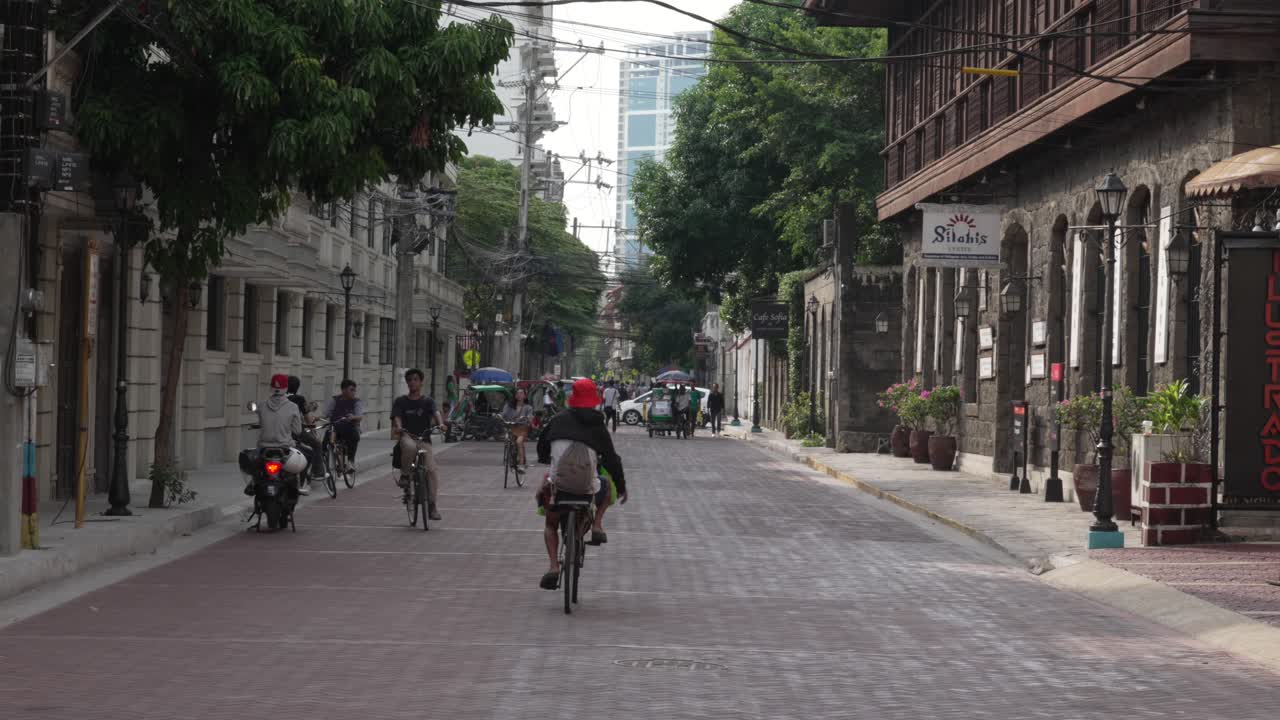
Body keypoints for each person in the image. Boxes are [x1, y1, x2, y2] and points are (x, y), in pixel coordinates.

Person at [535, 378, 627, 590]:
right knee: (606, 485)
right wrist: (622, 487)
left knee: (550, 523)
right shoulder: (598, 426)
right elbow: (613, 460)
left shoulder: (557, 420)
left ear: (572, 399)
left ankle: (553, 567)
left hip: (559, 486)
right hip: (587, 488)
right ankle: (596, 525)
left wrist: (547, 457)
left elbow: (542, 447)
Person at [392, 368, 445, 521]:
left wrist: (441, 424)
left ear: (421, 382)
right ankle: (405, 475)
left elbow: (436, 413)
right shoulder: (401, 401)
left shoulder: (428, 401)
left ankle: (433, 506)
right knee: (409, 447)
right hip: (407, 436)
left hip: (424, 439)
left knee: (432, 470)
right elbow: (397, 416)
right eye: (409, 380)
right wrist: (399, 427)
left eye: (416, 379)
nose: (412, 382)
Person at [257, 374, 308, 494]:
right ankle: (300, 485)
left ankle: (253, 485)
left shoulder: (262, 405)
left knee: (256, 467)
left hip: (264, 447)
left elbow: (261, 423)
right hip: (284, 447)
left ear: (271, 387)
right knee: (305, 457)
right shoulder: (293, 406)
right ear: (286, 388)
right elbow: (297, 430)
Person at [287, 375, 323, 487]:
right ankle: (317, 472)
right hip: (296, 433)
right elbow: (308, 418)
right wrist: (312, 424)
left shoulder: (279, 398)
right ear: (297, 387)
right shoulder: (299, 399)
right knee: (316, 445)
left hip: (279, 432)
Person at [322, 379, 364, 473]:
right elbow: (326, 413)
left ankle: (350, 461)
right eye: (351, 390)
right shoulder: (335, 400)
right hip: (335, 427)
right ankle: (323, 458)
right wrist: (318, 418)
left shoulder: (357, 402)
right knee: (327, 438)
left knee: (354, 436)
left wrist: (353, 417)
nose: (354, 392)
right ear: (343, 390)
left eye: (354, 390)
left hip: (349, 428)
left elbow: (359, 416)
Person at [501, 387, 534, 466]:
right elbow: (503, 415)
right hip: (511, 427)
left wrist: (529, 419)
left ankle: (521, 463)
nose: (519, 395)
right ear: (515, 396)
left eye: (521, 393)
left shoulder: (528, 407)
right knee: (508, 440)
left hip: (522, 429)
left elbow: (530, 417)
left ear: (525, 396)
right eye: (517, 393)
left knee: (519, 442)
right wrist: (500, 416)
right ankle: (510, 457)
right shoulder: (509, 406)